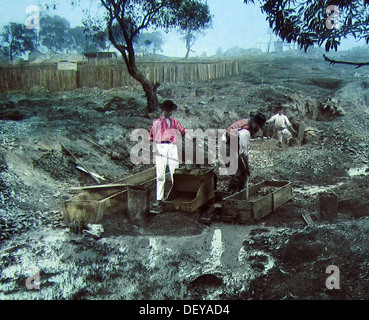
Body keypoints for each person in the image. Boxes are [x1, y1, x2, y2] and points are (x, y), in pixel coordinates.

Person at [149, 100, 186, 207]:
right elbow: (152, 137)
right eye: (168, 110)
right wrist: (155, 149)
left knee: (175, 172)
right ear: (163, 110)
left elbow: (182, 131)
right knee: (160, 174)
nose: (169, 113)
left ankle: (175, 196)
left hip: (172, 147)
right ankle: (159, 198)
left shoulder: (175, 122)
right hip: (161, 146)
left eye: (171, 111)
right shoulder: (157, 123)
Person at [225, 111, 267, 193]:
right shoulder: (245, 133)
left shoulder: (247, 123)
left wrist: (245, 169)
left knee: (243, 173)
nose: (257, 129)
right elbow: (244, 153)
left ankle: (240, 192)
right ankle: (231, 195)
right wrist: (247, 167)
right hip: (227, 147)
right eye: (257, 126)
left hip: (233, 146)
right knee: (235, 172)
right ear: (254, 123)